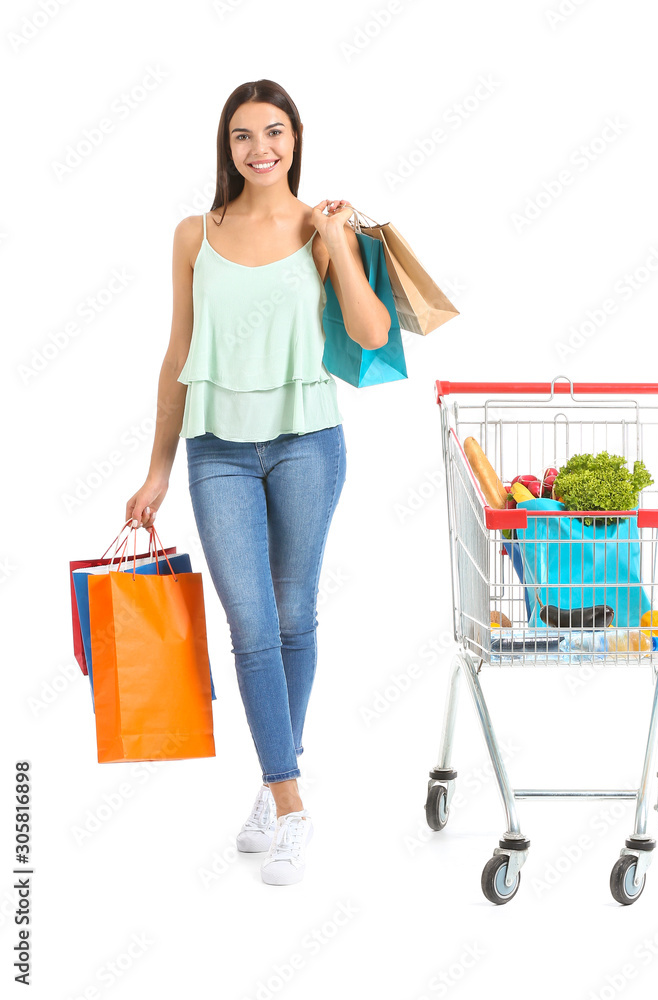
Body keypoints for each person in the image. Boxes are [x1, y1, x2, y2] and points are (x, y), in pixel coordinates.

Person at [125, 79, 390, 885]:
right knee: (250, 625)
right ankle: (291, 801)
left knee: (292, 616)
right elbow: (178, 354)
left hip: (309, 442)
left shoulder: (322, 229)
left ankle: (276, 786)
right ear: (227, 147)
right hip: (217, 450)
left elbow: (372, 334)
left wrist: (340, 243)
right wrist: (157, 467)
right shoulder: (192, 234)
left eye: (273, 132)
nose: (259, 148)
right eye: (243, 135)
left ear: (297, 138)